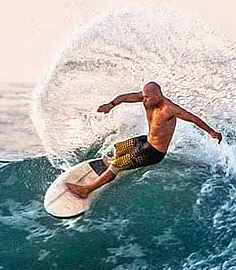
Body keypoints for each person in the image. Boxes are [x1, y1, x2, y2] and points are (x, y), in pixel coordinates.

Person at [67, 80, 222, 200]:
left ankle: (86, 190)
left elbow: (193, 118)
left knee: (118, 165)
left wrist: (212, 132)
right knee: (119, 147)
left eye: (147, 96)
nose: (144, 99)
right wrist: (111, 104)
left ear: (157, 95)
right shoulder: (147, 99)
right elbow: (125, 97)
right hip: (146, 140)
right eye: (143, 96)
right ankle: (113, 162)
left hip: (154, 152)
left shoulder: (169, 109)